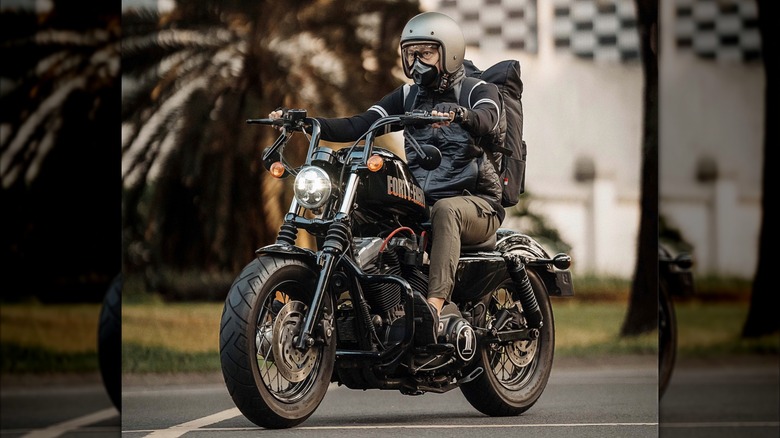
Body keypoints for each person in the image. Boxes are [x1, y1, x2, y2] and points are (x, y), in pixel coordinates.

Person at [269, 11, 504, 344]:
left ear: (449, 53)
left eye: (426, 53)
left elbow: (489, 118)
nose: (417, 62)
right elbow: (360, 124)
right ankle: (367, 308)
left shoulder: (476, 90)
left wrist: (462, 115)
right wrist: (310, 124)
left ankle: (434, 310)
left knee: (447, 210)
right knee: (365, 210)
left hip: (477, 203)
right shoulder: (406, 97)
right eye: (411, 54)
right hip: (423, 199)